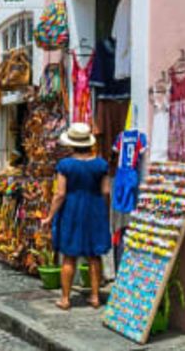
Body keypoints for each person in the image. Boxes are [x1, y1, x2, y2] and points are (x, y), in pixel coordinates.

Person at [42, 123, 112, 310]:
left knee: (69, 256)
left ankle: (65, 299)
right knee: (94, 255)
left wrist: (49, 217)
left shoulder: (65, 165)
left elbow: (60, 194)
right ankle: (95, 297)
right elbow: (106, 191)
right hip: (94, 209)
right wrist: (104, 211)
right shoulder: (101, 164)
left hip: (72, 210)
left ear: (72, 144)